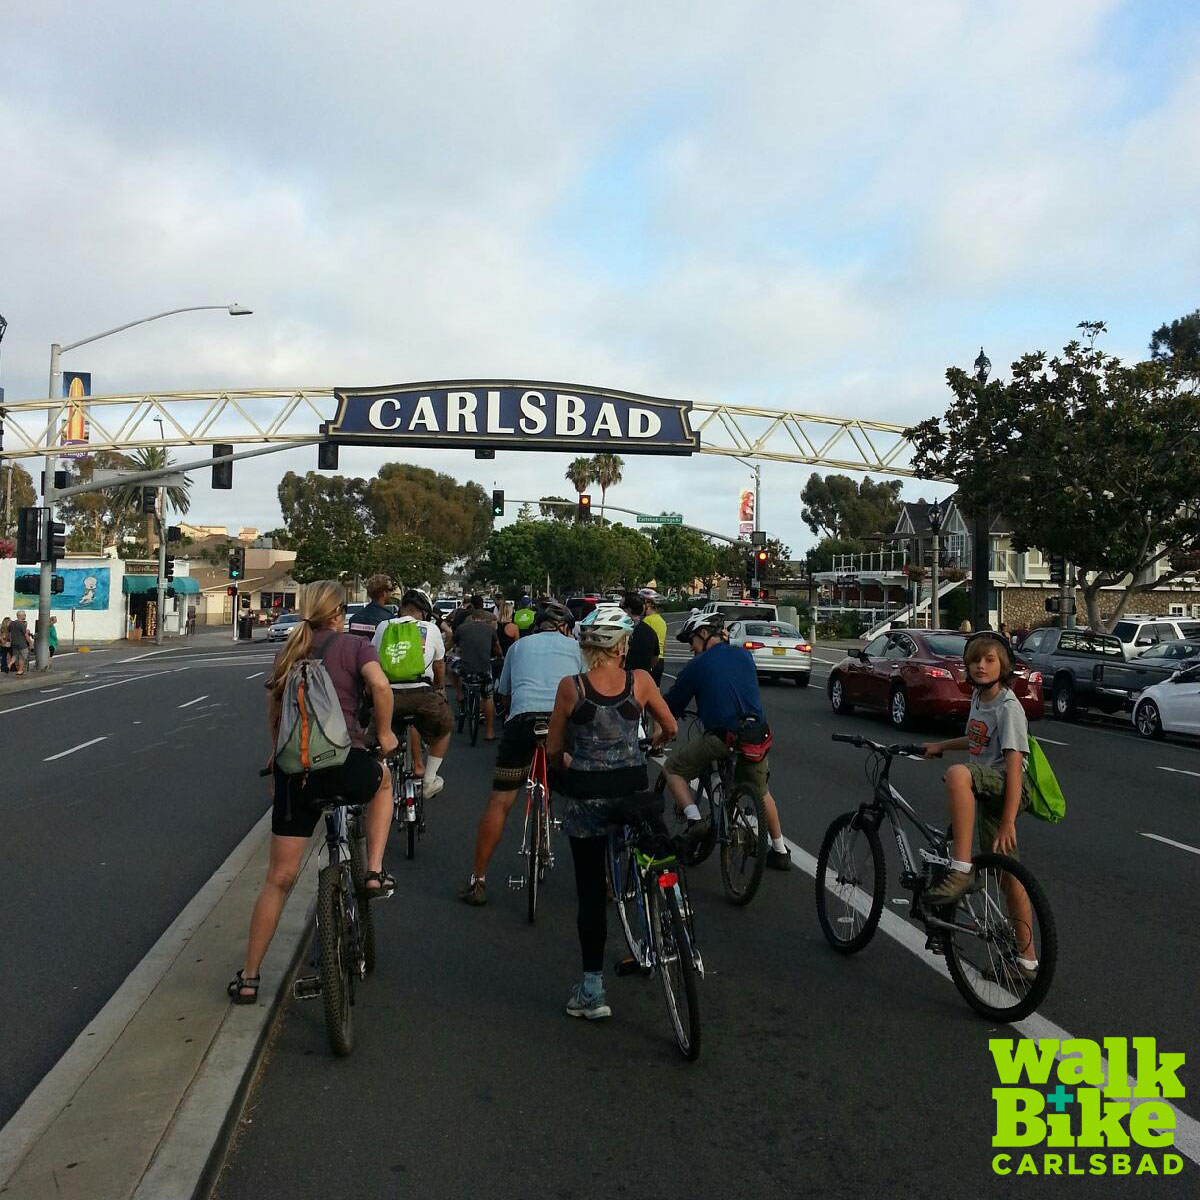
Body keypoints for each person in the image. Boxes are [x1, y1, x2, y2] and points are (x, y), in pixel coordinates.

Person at [229, 580, 398, 1004]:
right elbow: (379, 687)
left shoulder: (288, 651)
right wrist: (384, 732)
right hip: (344, 765)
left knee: (279, 879)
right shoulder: (356, 647)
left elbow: (274, 714)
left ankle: (249, 978)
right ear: (340, 612)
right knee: (383, 781)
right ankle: (374, 871)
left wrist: (276, 763)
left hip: (295, 774)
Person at [547, 608, 677, 1020]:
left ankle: (592, 990)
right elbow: (670, 727)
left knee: (590, 893)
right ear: (621, 646)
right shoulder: (640, 682)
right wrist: (654, 743)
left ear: (587, 646)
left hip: (586, 798)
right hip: (630, 789)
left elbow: (553, 748)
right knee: (644, 857)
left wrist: (568, 761)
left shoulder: (572, 687)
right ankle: (660, 930)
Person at [920, 632, 1038, 977]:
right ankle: (1027, 960)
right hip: (985, 786)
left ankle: (963, 870)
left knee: (957, 776)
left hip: (1004, 787)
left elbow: (1015, 767)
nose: (981, 666)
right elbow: (976, 740)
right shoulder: (978, 699)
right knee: (1005, 873)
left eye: (989, 660)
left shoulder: (1007, 707)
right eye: (975, 661)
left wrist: (1008, 822)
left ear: (1004, 666)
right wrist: (941, 745)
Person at [459, 600, 583, 905]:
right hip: (563, 721)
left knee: (500, 800)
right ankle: (606, 881)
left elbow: (504, 693)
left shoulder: (518, 647)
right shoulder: (576, 648)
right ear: (566, 627)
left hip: (524, 720)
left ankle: (478, 879)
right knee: (587, 794)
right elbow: (586, 689)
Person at [661, 610, 792, 870]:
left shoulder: (697, 665)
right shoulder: (744, 656)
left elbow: (672, 705)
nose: (690, 648)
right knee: (762, 792)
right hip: (755, 735)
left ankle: (695, 821)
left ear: (704, 634)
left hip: (722, 736)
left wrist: (661, 730)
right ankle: (779, 850)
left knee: (673, 769)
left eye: (692, 641)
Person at [371, 588, 453, 798]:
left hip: (388, 696)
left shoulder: (383, 627)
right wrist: (440, 689)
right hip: (423, 693)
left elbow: (372, 659)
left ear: (401, 609)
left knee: (376, 739)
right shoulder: (431, 629)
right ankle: (429, 779)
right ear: (425, 612)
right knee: (444, 728)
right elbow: (439, 667)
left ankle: (378, 780)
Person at [452, 597, 502, 741]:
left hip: (466, 669)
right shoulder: (490, 629)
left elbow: (451, 644)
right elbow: (497, 648)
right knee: (488, 696)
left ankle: (459, 692)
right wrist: (499, 655)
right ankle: (489, 732)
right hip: (484, 669)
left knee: (452, 666)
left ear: (471, 618)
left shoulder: (462, 628)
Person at [621, 594, 662, 680]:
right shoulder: (650, 632)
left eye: (621, 607)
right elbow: (655, 660)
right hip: (644, 680)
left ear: (628, 610)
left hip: (622, 680)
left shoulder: (620, 631)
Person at [347, 574, 397, 639]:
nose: (392, 592)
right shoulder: (388, 619)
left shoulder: (355, 619)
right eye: (390, 589)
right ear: (384, 593)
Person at [641, 594, 668, 685]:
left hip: (649, 660)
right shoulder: (662, 621)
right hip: (660, 660)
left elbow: (644, 642)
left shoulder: (647, 621)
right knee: (656, 690)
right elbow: (664, 645)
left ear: (649, 605)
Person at [9, 612, 31, 676]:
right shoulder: (22, 624)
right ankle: (20, 670)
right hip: (22, 644)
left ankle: (12, 666)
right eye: (24, 615)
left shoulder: (12, 623)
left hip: (14, 643)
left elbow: (10, 633)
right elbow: (26, 635)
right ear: (20, 616)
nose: (25, 616)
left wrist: (11, 641)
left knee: (15, 656)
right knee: (23, 657)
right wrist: (30, 643)